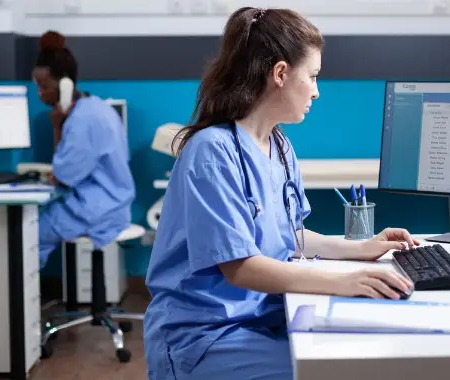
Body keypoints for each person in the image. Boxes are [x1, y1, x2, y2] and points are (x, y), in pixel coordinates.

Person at [143, 7, 419, 380]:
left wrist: (361, 248)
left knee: (370, 347)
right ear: (280, 73)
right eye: (313, 76)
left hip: (261, 315)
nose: (317, 91)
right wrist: (345, 281)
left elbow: (287, 234)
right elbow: (240, 266)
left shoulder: (280, 146)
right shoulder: (212, 151)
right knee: (340, 370)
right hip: (205, 334)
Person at [32, 30, 136, 269]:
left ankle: (16, 303)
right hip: (111, 203)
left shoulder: (82, 120)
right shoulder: (96, 107)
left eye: (43, 86)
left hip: (98, 210)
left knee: (26, 233)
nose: (40, 93)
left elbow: (62, 177)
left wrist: (57, 127)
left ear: (65, 84)